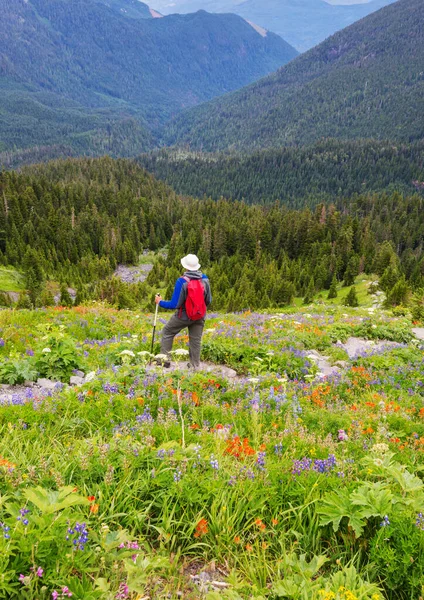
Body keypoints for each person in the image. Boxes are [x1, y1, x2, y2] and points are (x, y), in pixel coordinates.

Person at [155, 254, 212, 369]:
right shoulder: (205, 279)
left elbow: (175, 304)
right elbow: (209, 300)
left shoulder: (182, 281)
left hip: (183, 316)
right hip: (199, 316)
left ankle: (164, 361)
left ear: (185, 266)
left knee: (167, 332)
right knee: (195, 340)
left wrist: (160, 302)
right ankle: (194, 366)